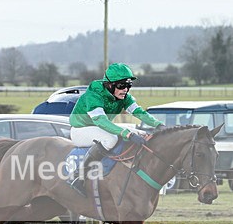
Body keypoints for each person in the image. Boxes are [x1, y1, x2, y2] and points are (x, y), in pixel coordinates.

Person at [67, 63, 165, 196]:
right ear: (109, 84)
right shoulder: (94, 95)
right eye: (121, 85)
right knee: (111, 139)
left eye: (128, 85)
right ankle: (78, 176)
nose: (125, 89)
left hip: (99, 127)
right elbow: (100, 121)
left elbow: (138, 112)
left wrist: (158, 124)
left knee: (141, 133)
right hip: (81, 129)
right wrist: (127, 134)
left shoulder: (124, 97)